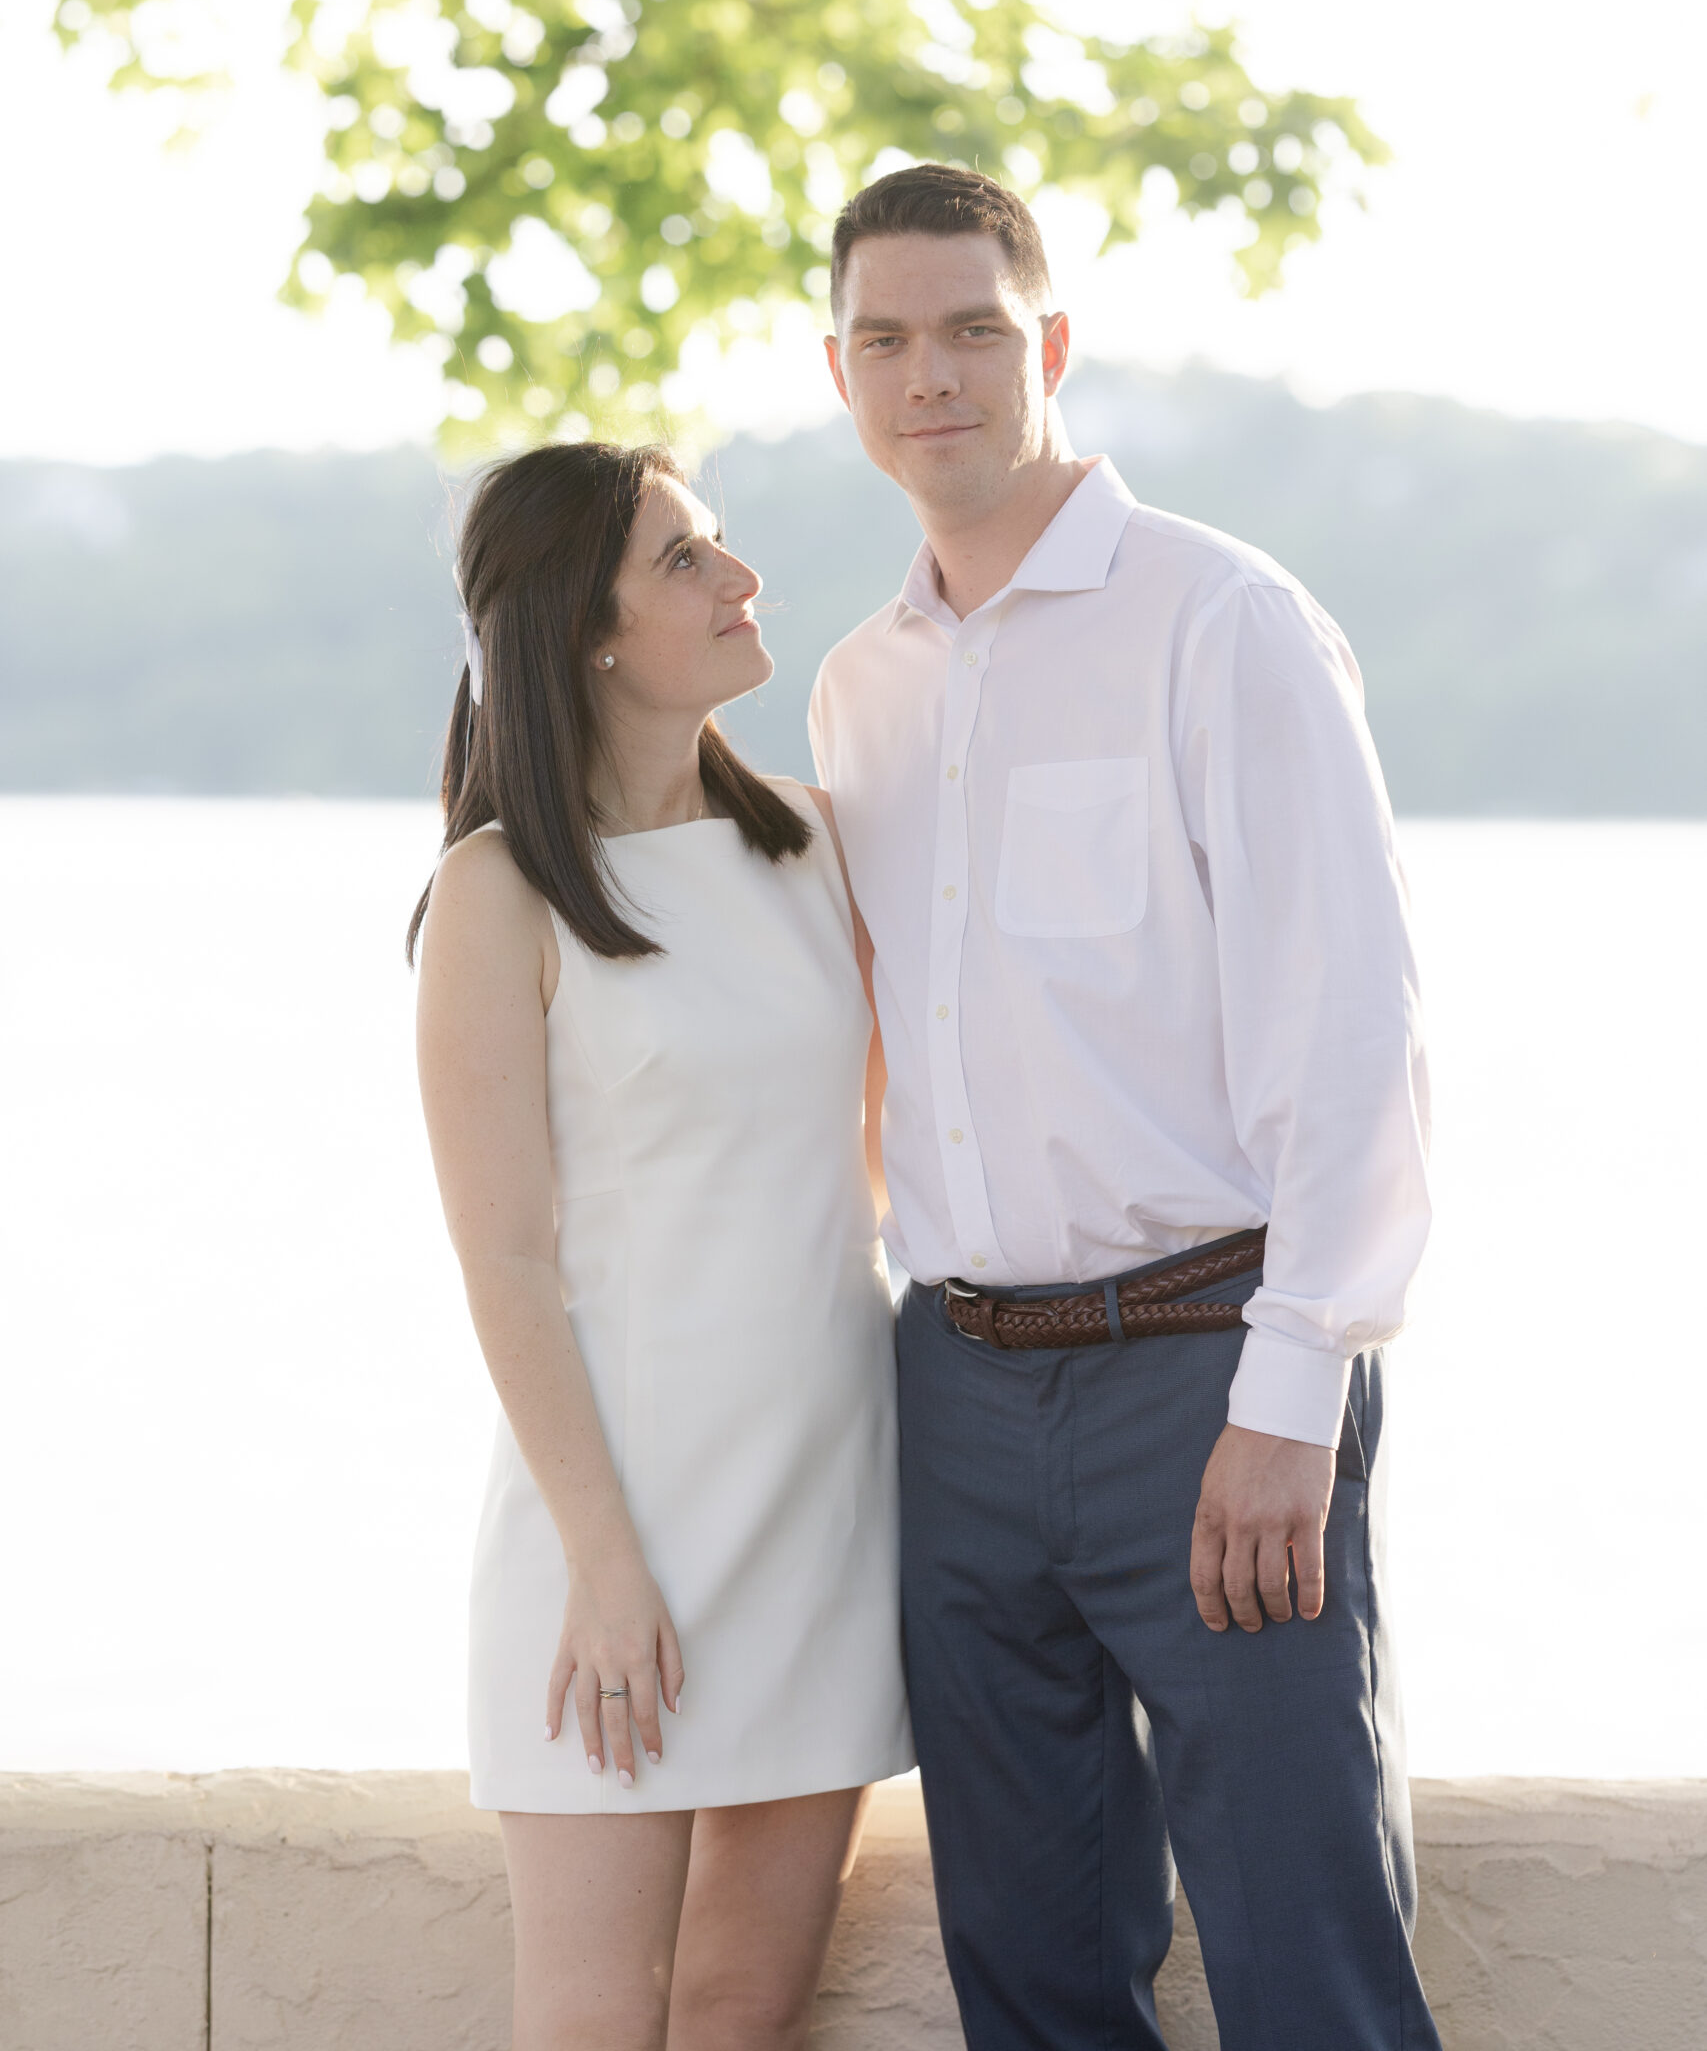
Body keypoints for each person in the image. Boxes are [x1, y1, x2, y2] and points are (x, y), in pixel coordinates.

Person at [809, 162, 1441, 2050]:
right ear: (840, 375)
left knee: (1305, 1957)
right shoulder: (859, 693)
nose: (934, 376)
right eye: (886, 340)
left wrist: (1293, 1394)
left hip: (1208, 1372)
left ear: (1051, 344)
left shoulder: (1219, 621)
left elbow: (1352, 1029)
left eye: (975, 331)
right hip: (963, 1394)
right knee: (1031, 1973)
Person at [410, 442, 911, 2051]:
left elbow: (899, 1170)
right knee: (591, 2019)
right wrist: (605, 1569)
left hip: (825, 1501)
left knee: (742, 2007)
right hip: (608, 1529)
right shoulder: (499, 896)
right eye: (686, 558)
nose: (739, 577)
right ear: (589, 631)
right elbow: (504, 1266)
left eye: (722, 542)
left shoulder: (823, 850)